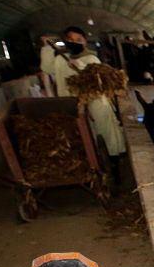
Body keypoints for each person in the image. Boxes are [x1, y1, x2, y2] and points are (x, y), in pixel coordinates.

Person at [39, 26, 127, 185]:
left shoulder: (92, 59)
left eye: (78, 40)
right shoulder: (60, 59)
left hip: (95, 103)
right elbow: (46, 68)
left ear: (85, 41)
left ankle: (114, 167)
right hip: (70, 103)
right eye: (71, 40)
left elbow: (98, 79)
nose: (75, 43)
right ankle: (85, 169)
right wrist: (46, 48)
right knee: (78, 136)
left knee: (104, 132)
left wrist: (79, 65)